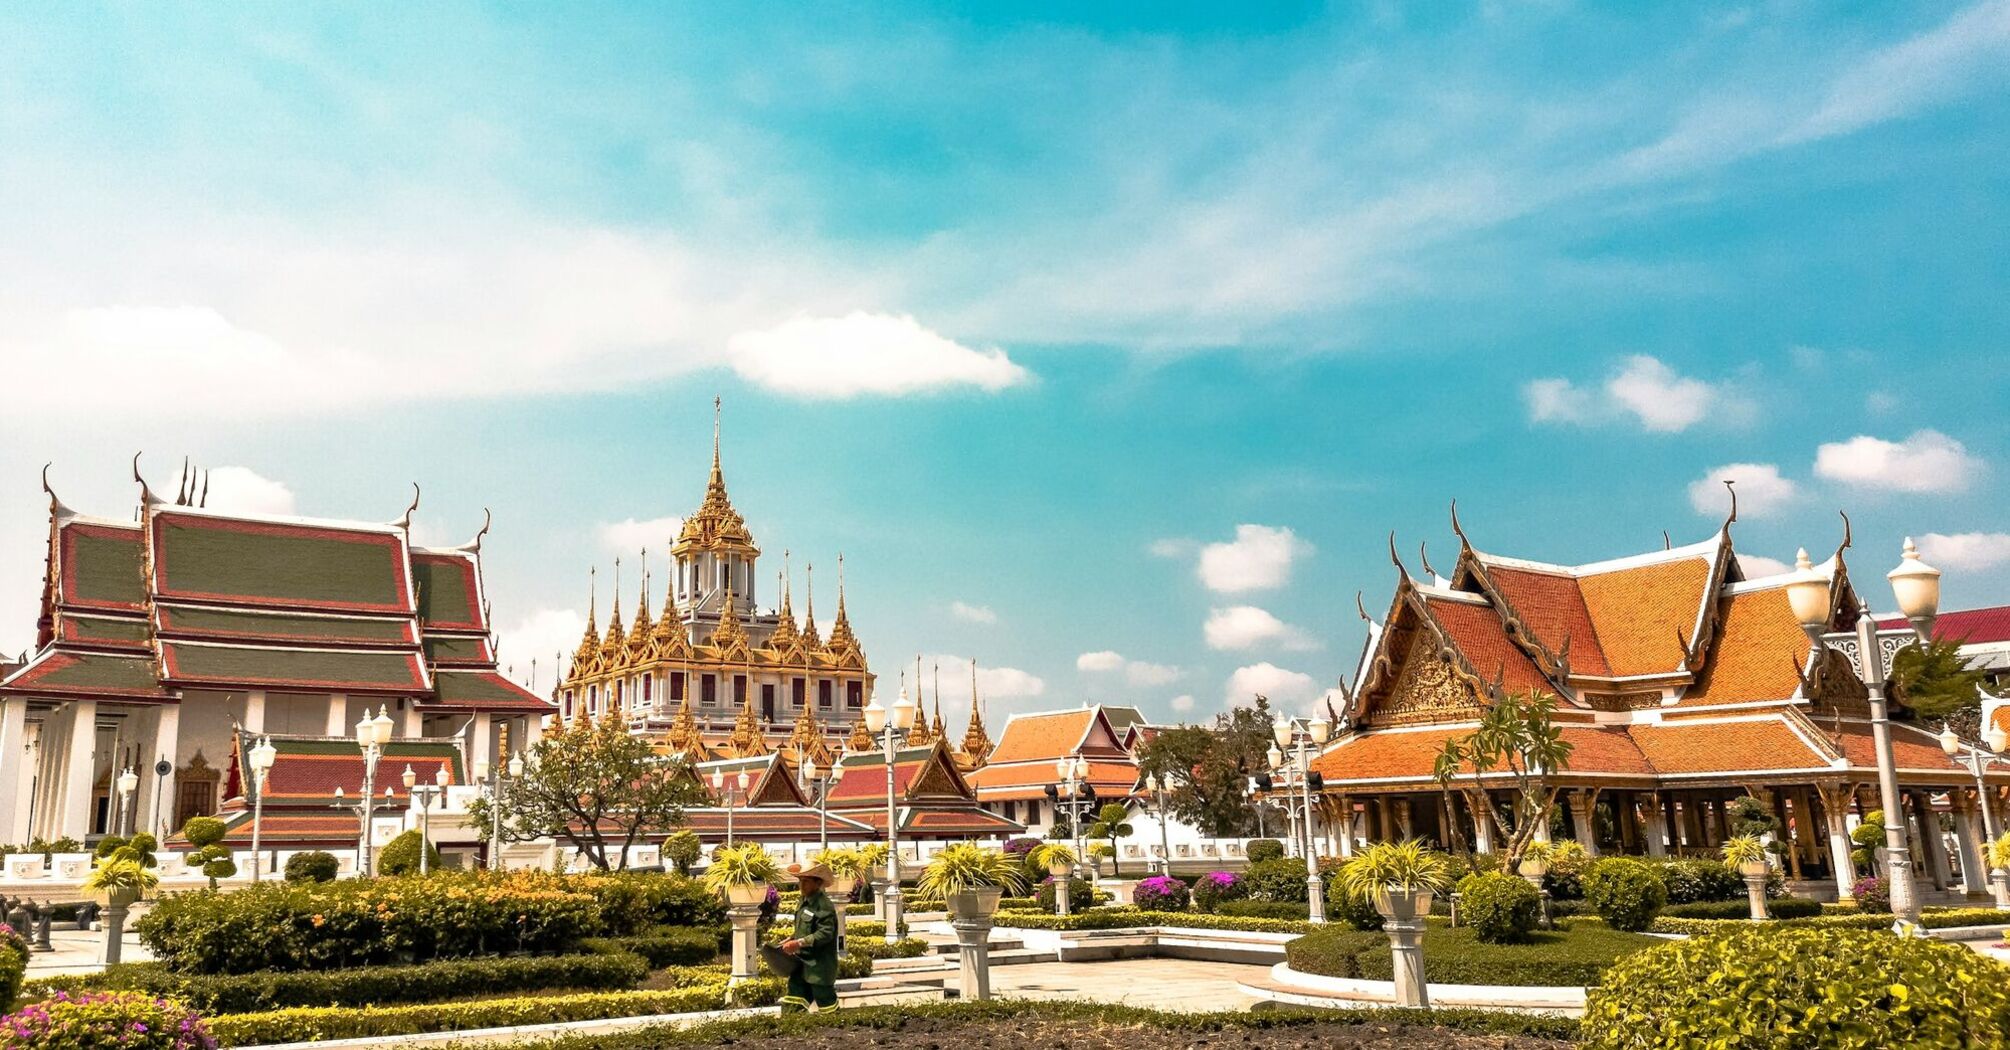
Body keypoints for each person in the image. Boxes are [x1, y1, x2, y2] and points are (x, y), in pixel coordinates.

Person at [778, 860, 840, 1012]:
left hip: (819, 967)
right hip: (802, 964)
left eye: (806, 881)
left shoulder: (823, 905)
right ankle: (790, 1029)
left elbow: (825, 933)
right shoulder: (804, 901)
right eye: (800, 881)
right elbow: (804, 928)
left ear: (817, 883)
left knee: (827, 1005)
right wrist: (791, 939)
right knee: (793, 1001)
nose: (802, 885)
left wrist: (798, 943)